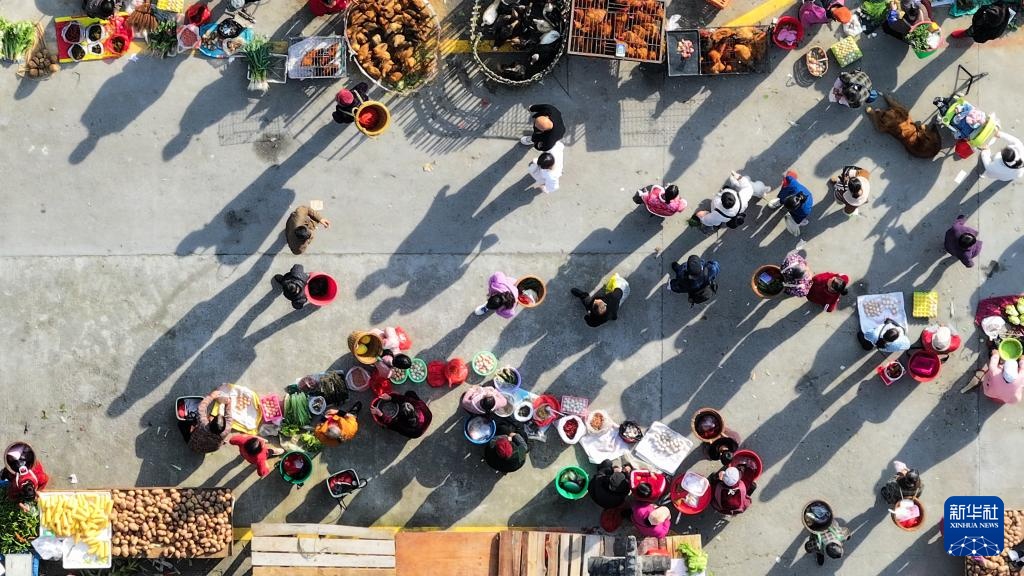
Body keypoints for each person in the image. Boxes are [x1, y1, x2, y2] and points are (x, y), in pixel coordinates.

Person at [694, 172, 770, 233]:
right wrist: (739, 177)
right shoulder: (742, 198)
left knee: (714, 219)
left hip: (724, 217)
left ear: (722, 201)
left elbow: (705, 219)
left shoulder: (717, 207)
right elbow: (748, 187)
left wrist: (701, 215)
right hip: (739, 209)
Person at [186, 390, 233, 454]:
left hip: (193, 445)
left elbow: (201, 408)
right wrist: (228, 403)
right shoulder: (227, 430)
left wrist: (212, 396)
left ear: (210, 422)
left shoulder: (203, 424)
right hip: (207, 450)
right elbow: (229, 416)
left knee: (181, 424)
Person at [769, 172, 814, 236]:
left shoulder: (804, 210)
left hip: (803, 208)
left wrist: (798, 221)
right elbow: (790, 175)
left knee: (797, 219)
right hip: (794, 192)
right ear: (790, 196)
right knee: (784, 191)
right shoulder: (793, 185)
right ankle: (780, 201)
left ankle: (800, 221)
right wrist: (786, 176)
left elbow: (799, 216)